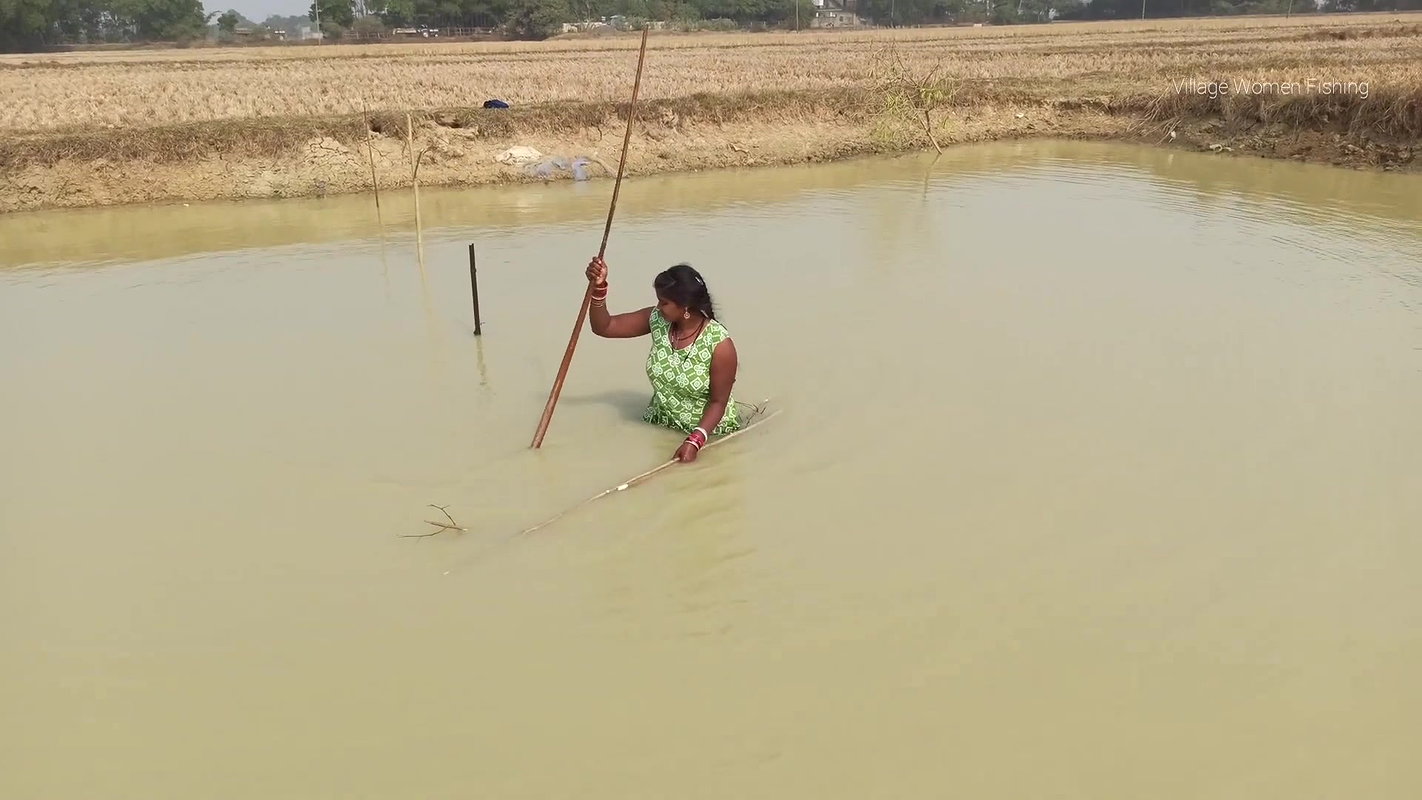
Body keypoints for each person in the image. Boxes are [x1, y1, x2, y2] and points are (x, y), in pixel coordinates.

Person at [584, 255, 741, 463]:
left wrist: (695, 441)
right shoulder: (658, 320)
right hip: (661, 424)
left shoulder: (720, 345)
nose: (658, 307)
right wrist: (598, 289)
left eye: (664, 302)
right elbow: (604, 327)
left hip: (708, 436)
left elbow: (718, 403)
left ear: (685, 306)